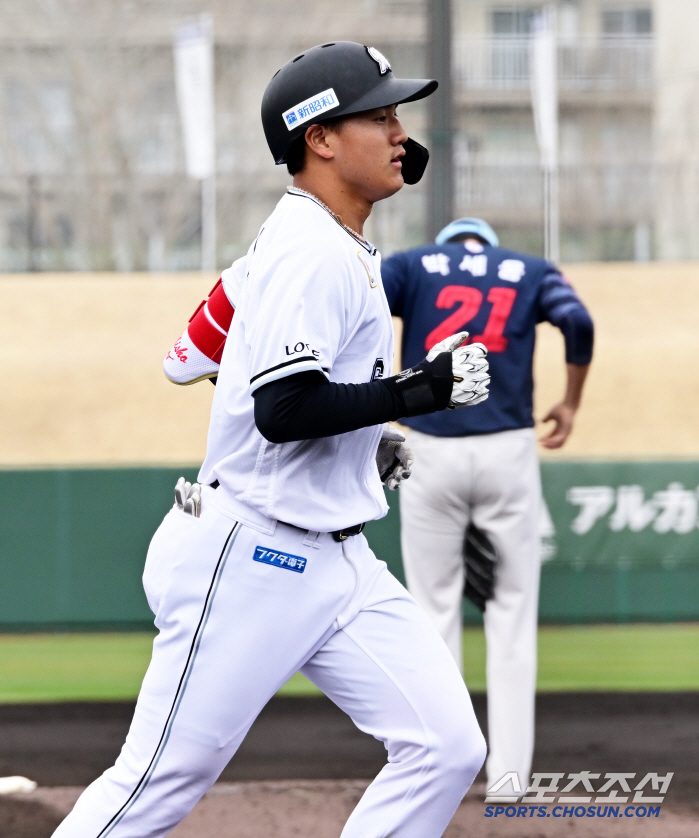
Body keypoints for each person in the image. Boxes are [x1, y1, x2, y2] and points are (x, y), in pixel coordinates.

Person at [52, 43, 491, 838]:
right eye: (379, 114)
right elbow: (282, 409)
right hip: (255, 555)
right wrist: (420, 389)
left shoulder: (326, 242)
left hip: (337, 559)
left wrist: (366, 436)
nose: (400, 132)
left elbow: (194, 359)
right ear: (318, 138)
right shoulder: (309, 248)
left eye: (398, 115)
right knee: (155, 784)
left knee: (444, 745)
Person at [380, 217, 594, 798]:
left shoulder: (410, 264)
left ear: (448, 243)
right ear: (488, 245)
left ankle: (437, 774)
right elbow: (577, 321)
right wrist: (570, 403)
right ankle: (508, 781)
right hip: (507, 449)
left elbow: (359, 305)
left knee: (433, 612)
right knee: (512, 616)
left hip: (429, 448)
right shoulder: (529, 270)